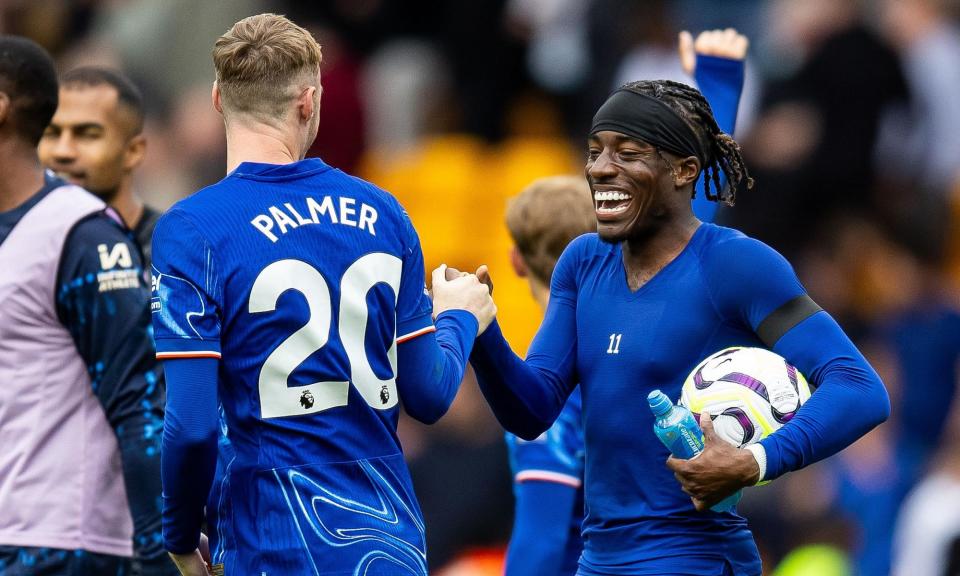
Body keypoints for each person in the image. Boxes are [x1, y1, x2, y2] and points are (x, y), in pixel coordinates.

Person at [444, 30, 891, 576]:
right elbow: (533, 409)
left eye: (627, 153)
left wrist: (756, 461)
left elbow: (859, 387)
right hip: (599, 560)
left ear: (683, 170)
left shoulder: (736, 264)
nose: (600, 168)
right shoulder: (583, 262)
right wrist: (483, 333)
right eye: (594, 151)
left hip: (696, 558)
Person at [151, 14, 495, 576]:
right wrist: (458, 318)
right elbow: (429, 397)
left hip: (272, 542)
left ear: (217, 98)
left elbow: (189, 427)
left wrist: (181, 539)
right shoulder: (386, 214)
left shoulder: (193, 229)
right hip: (389, 546)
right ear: (309, 101)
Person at [501, 29, 752, 576]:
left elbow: (541, 542)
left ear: (517, 262)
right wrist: (718, 81)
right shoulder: (651, 301)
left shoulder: (554, 388)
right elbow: (693, 198)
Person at [0, 36, 171, 574]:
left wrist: (160, 547)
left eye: (87, 133)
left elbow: (139, 402)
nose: (66, 149)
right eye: (56, 133)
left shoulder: (83, 234)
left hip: (57, 542)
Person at [39, 66, 161, 265]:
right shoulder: (16, 244)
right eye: (52, 133)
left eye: (87, 135)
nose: (62, 151)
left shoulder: (172, 251)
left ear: (133, 152)